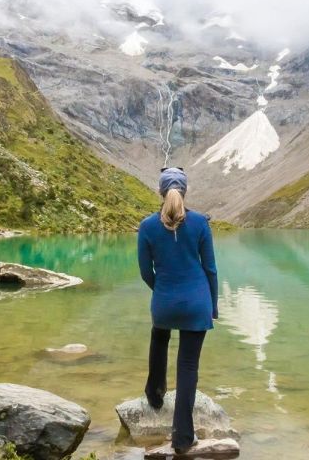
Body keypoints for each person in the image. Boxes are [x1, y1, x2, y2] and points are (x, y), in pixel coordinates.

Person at [137, 166, 219, 453]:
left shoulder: (147, 226)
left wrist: (163, 290)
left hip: (164, 301)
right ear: (184, 191)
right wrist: (213, 305)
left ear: (161, 192)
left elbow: (146, 271)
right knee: (188, 366)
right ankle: (183, 438)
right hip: (197, 302)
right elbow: (210, 269)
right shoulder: (199, 223)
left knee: (159, 337)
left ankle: (155, 394)